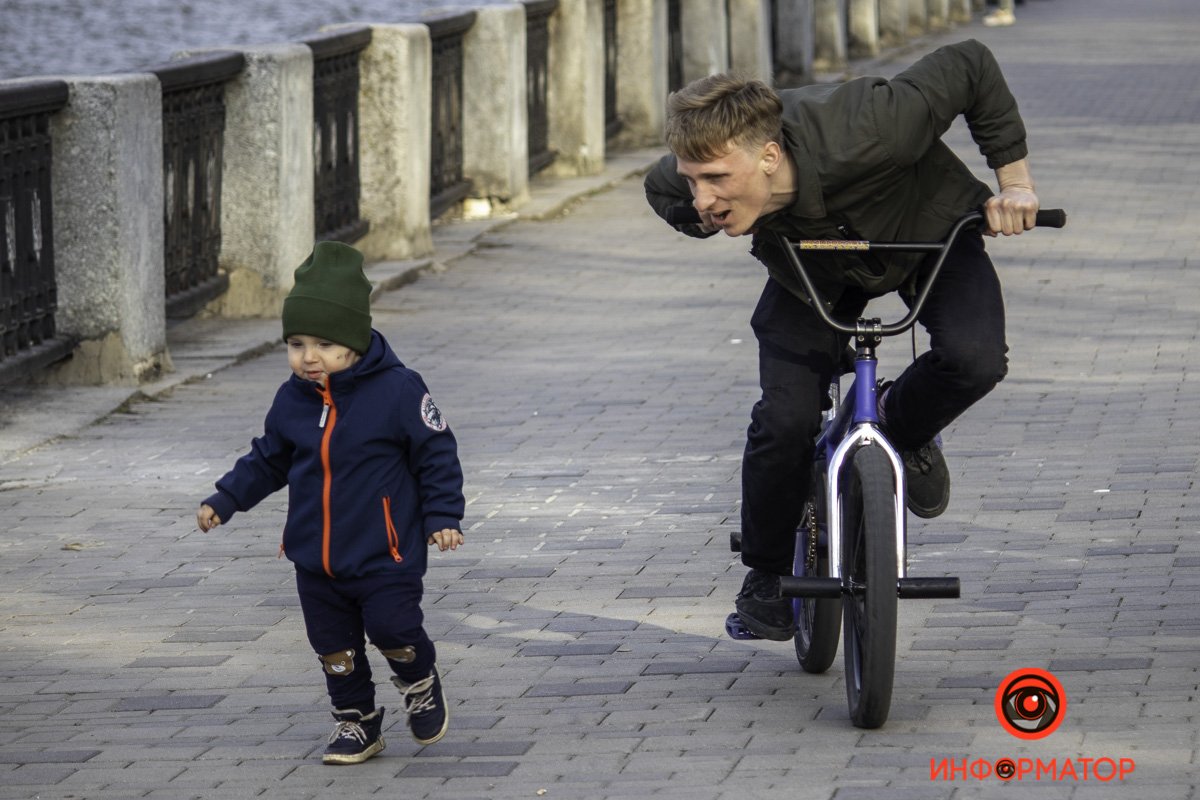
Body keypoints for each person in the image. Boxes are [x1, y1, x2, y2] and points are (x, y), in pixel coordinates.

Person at [644, 39, 1040, 642]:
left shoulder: (876, 124)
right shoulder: (688, 179)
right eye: (695, 179)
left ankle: (899, 424)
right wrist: (702, 215)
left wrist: (1014, 185)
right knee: (783, 419)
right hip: (812, 271)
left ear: (770, 155)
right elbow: (661, 192)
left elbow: (971, 63)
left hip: (927, 238)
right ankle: (768, 573)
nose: (702, 192)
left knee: (974, 359)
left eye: (718, 179)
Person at [195, 241, 466, 765]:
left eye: (323, 343)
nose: (308, 357)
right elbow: (269, 458)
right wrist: (226, 498)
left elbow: (436, 453)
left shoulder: (398, 391)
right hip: (314, 560)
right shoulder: (291, 398)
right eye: (296, 343)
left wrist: (443, 516)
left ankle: (419, 678)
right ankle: (357, 723)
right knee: (334, 650)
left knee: (394, 630)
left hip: (385, 555)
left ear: (356, 342)